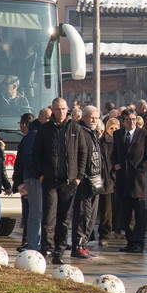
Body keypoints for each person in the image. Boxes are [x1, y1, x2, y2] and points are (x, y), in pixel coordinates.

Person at [33, 97, 88, 265]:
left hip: (69, 182)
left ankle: (59, 250)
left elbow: (83, 152)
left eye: (64, 109)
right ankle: (47, 249)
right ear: (52, 110)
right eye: (58, 109)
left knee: (64, 218)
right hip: (50, 180)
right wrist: (40, 174)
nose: (61, 112)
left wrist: (79, 176)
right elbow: (36, 153)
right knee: (49, 216)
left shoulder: (75, 128)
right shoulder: (45, 130)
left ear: (67, 109)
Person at [113, 109, 147, 253]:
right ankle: (130, 241)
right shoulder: (118, 134)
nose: (131, 122)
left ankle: (138, 242)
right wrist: (115, 165)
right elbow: (113, 154)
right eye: (128, 119)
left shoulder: (145, 134)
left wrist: (141, 168)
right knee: (126, 214)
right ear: (123, 121)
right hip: (123, 180)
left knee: (140, 214)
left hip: (138, 181)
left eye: (133, 119)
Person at [71, 106, 103, 260]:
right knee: (83, 214)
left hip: (95, 180)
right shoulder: (80, 132)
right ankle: (77, 246)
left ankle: (84, 245)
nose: (94, 120)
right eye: (91, 117)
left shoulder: (94, 133)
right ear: (84, 117)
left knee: (91, 216)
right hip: (84, 180)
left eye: (96, 118)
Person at [13, 112, 43, 253]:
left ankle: (33, 242)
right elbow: (25, 159)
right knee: (35, 213)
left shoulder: (37, 134)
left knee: (35, 212)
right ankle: (32, 243)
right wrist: (39, 174)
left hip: (33, 178)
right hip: (34, 179)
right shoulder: (33, 135)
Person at [97, 117, 119, 246]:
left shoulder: (113, 143)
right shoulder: (99, 142)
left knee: (107, 210)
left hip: (108, 179)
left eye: (116, 128)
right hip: (97, 178)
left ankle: (105, 234)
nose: (114, 131)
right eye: (111, 128)